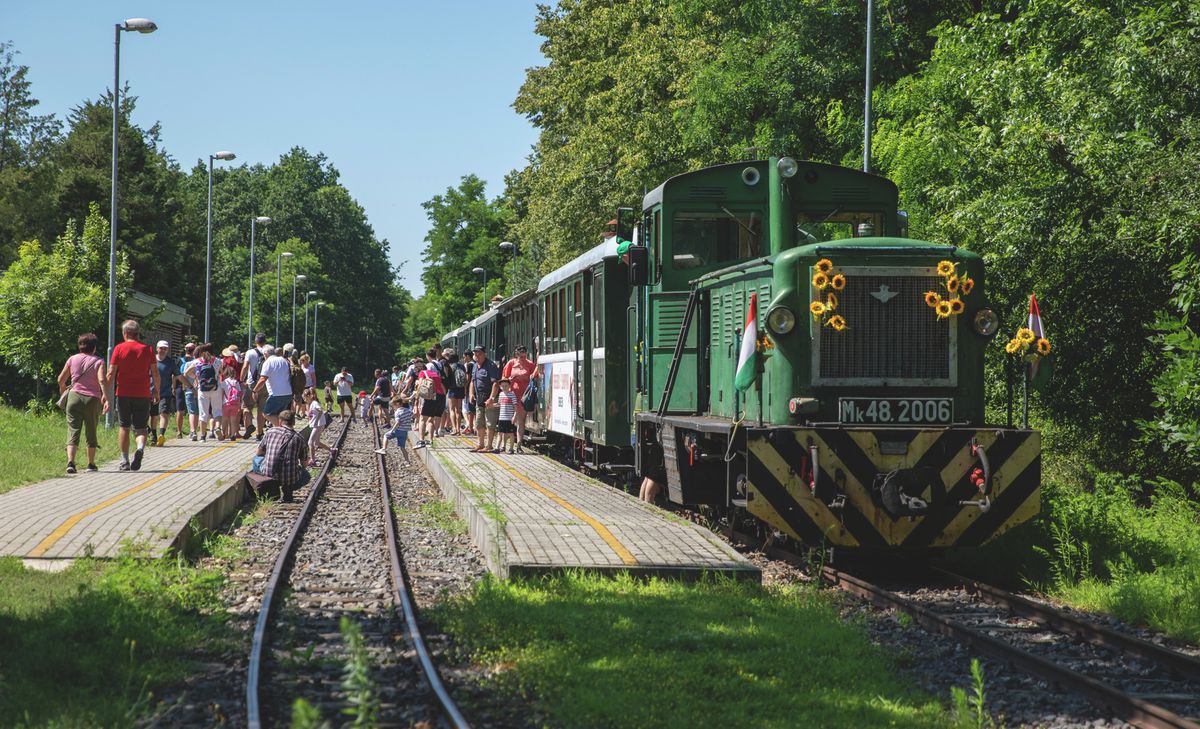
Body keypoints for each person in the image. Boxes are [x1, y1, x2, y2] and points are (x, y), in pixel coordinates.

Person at [107, 319, 159, 471]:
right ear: (137, 334)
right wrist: (156, 389)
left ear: (125, 333)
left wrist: (105, 391)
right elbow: (155, 372)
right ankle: (140, 448)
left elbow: (112, 372)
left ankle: (124, 461)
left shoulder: (119, 349)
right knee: (141, 427)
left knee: (124, 426)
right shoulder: (147, 349)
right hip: (143, 393)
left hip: (123, 393)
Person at [57, 332, 108, 474]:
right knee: (91, 431)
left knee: (73, 430)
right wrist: (105, 396)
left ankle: (71, 463)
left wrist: (63, 390)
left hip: (74, 397)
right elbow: (102, 380)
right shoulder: (99, 362)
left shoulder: (72, 359)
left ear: (80, 346)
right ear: (94, 347)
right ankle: (91, 464)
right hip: (92, 399)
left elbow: (61, 379)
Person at [252, 408, 310, 501]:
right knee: (306, 475)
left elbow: (259, 453)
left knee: (256, 459)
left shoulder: (270, 432)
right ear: (293, 423)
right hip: (290, 478)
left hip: (269, 474)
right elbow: (304, 464)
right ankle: (288, 490)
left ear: (280, 421)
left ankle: (268, 484)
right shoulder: (299, 438)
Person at [502, 345, 535, 453]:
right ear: (517, 355)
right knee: (508, 419)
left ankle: (519, 446)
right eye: (521, 357)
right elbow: (504, 379)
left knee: (521, 421)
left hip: (524, 396)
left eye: (524, 356)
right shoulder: (511, 363)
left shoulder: (530, 364)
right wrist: (511, 379)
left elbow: (535, 375)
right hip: (512, 395)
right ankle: (504, 445)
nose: (523, 358)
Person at [468, 346, 500, 453]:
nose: (477, 355)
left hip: (489, 398)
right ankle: (480, 444)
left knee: (490, 423)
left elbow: (495, 383)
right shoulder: (475, 366)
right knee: (479, 423)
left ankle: (489, 445)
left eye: (479, 353)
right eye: (475, 353)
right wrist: (471, 393)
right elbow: (472, 381)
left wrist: (491, 398)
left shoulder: (491, 366)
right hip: (479, 398)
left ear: (484, 354)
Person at [254, 344, 293, 428]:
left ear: (265, 353)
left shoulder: (268, 362)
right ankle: (281, 431)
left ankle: (283, 429)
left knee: (267, 414)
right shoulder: (283, 360)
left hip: (276, 394)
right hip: (288, 393)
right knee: (279, 415)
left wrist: (255, 390)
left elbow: (262, 379)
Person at [241, 333, 268, 440]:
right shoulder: (269, 352)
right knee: (261, 409)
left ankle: (249, 426)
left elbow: (245, 366)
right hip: (264, 383)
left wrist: (241, 379)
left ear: (255, 341)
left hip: (251, 383)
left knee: (246, 407)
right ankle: (259, 433)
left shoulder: (250, 352)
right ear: (265, 341)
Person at [194, 343, 223, 441]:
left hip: (202, 389)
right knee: (217, 410)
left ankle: (202, 436)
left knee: (203, 413)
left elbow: (186, 372)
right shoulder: (218, 361)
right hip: (215, 388)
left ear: (201, 351)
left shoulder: (198, 362)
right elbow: (222, 373)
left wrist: (196, 378)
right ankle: (218, 428)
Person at [414, 356, 445, 448]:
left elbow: (420, 386)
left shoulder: (422, 373)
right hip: (441, 397)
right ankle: (430, 440)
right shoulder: (435, 374)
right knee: (431, 419)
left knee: (423, 419)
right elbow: (442, 388)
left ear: (419, 368)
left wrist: (416, 400)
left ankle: (421, 440)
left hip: (431, 397)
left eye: (416, 369)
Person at [375, 394, 413, 463]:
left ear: (397, 404)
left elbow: (398, 422)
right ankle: (407, 461)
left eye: (393, 405)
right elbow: (414, 416)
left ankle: (383, 449)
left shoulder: (398, 412)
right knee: (402, 448)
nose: (393, 407)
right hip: (405, 432)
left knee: (386, 435)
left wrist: (392, 430)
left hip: (399, 430)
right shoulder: (408, 411)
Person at [153, 340, 178, 446]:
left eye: (165, 348)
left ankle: (161, 435)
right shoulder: (151, 360)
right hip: (152, 392)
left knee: (163, 413)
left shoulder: (170, 362)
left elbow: (177, 375)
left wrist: (189, 386)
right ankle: (153, 436)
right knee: (153, 416)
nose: (163, 350)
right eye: (161, 348)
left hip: (165, 392)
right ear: (157, 348)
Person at [302, 387, 333, 467]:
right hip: (319, 424)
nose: (304, 400)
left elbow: (320, 410)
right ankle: (331, 450)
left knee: (310, 442)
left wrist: (316, 421)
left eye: (305, 398)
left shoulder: (314, 403)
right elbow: (312, 414)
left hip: (318, 425)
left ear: (310, 396)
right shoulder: (311, 404)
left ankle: (313, 460)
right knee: (316, 442)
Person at [174, 342, 195, 439]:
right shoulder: (196, 360)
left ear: (185, 349)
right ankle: (193, 430)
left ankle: (179, 431)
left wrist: (173, 387)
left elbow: (174, 375)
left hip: (179, 386)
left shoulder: (179, 360)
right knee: (194, 410)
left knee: (180, 410)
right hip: (192, 387)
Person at [444, 350, 466, 435]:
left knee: (451, 409)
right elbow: (465, 379)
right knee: (458, 410)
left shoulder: (450, 367)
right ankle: (458, 429)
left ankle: (454, 428)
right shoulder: (462, 366)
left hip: (452, 389)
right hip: (460, 389)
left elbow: (447, 378)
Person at [220, 364, 243, 442]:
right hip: (235, 403)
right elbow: (239, 393)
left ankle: (224, 433)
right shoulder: (236, 382)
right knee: (233, 420)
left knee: (224, 419)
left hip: (226, 403)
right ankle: (233, 435)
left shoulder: (224, 382)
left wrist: (220, 403)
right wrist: (239, 402)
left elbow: (222, 394)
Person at [496, 378, 517, 454]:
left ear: (509, 386)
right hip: (501, 418)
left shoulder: (512, 394)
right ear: (500, 387)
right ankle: (497, 448)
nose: (504, 387)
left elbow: (515, 407)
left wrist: (514, 416)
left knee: (511, 434)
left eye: (506, 386)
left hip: (509, 418)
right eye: (502, 386)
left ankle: (511, 448)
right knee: (500, 433)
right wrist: (492, 405)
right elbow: (499, 404)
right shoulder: (501, 394)